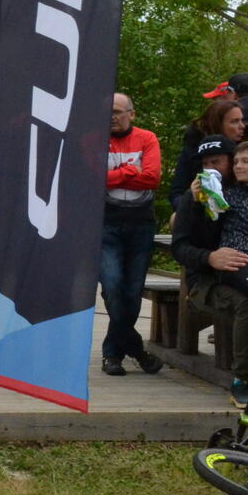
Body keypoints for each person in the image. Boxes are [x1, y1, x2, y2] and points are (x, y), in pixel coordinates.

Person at [100, 92, 165, 376]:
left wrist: (114, 176)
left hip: (141, 224)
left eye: (117, 111)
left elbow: (152, 177)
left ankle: (112, 354)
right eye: (108, 112)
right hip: (106, 224)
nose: (112, 117)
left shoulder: (147, 138)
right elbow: (92, 179)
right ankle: (138, 350)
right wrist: (129, 171)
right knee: (113, 286)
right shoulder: (93, 140)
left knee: (132, 292)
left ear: (131, 114)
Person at [212, 140, 248, 406]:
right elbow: (192, 215)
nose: (238, 166)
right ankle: (242, 381)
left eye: (246, 161)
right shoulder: (228, 194)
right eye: (235, 161)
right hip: (237, 262)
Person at [169, 95, 245, 203]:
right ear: (217, 124)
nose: (242, 126)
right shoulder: (193, 151)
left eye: (242, 120)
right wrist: (191, 200)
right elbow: (177, 194)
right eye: (234, 121)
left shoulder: (245, 150)